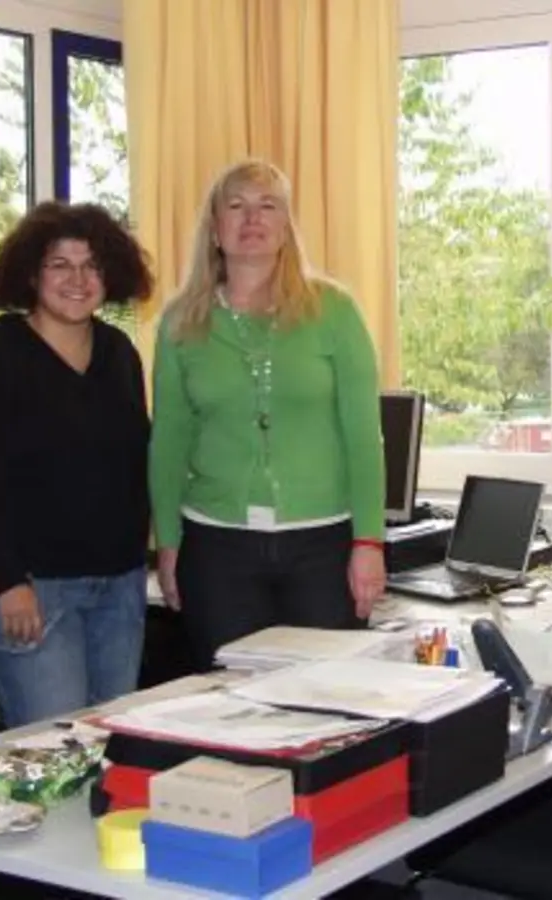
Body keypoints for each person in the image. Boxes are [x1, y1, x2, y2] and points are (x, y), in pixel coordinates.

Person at [150, 159, 387, 671]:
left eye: (267, 206)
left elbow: (365, 438)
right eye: (235, 206)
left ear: (286, 228)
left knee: (325, 705)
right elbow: (167, 442)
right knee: (229, 705)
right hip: (216, 549)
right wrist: (167, 545)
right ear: (215, 229)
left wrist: (369, 541)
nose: (251, 218)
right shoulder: (180, 322)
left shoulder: (335, 311)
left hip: (322, 547)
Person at [0, 201, 155, 727]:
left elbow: (134, 462)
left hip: (119, 588)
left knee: (108, 748)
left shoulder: (120, 353)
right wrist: (6, 580)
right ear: (30, 273)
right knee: (54, 752)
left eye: (91, 265)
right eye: (60, 265)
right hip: (31, 590)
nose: (78, 279)